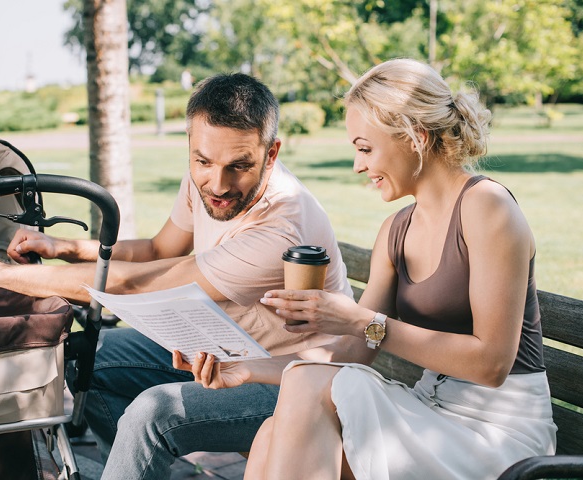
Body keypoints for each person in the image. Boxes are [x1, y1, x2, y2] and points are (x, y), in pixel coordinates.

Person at [0, 73, 353, 479]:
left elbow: (140, 281)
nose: (219, 184)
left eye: (239, 166)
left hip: (294, 380)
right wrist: (65, 247)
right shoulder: (205, 182)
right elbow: (158, 251)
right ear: (191, 145)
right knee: (86, 359)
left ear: (272, 153)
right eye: (203, 161)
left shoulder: (281, 228)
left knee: (152, 414)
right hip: (221, 348)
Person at [176, 58, 557, 479]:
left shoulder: (487, 208)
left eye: (364, 147)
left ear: (414, 136)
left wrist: (363, 321)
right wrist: (247, 368)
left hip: (498, 432)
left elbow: (491, 364)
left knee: (294, 412)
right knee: (271, 434)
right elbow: (355, 351)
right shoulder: (396, 230)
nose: (358, 165)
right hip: (432, 410)